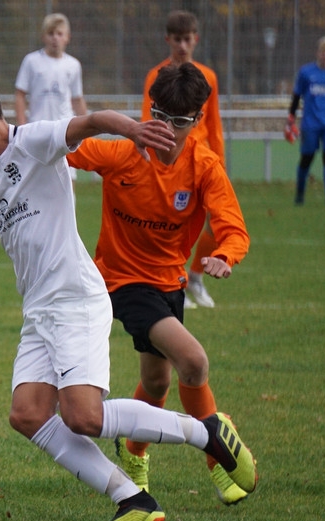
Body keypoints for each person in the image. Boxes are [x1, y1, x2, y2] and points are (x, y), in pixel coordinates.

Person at [0, 69, 257, 521]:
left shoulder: (34, 142)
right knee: (27, 414)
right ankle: (133, 499)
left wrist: (134, 129)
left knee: (83, 416)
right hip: (38, 308)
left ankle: (207, 433)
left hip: (77, 296)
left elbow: (89, 121)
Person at [68, 63, 251, 506]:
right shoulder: (121, 154)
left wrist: (224, 256)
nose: (168, 129)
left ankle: (132, 454)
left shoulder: (203, 167)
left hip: (170, 282)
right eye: (160, 116)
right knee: (194, 361)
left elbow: (233, 227)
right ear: (148, 110)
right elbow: (59, 146)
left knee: (154, 382)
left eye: (180, 121)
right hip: (122, 282)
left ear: (198, 119)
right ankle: (219, 459)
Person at [142, 10, 222, 309]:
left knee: (214, 223)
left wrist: (220, 162)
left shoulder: (208, 77)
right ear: (168, 40)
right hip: (167, 162)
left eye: (187, 39)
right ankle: (174, 280)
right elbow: (146, 116)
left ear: (195, 40)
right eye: (177, 39)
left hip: (200, 164)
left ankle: (196, 278)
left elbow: (214, 124)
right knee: (170, 225)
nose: (182, 46)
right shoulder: (156, 75)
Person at [286, 36, 325, 206]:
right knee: (307, 158)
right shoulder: (306, 73)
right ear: (318, 53)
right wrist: (291, 117)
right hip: (310, 124)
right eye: (323, 52)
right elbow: (297, 96)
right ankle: (299, 195)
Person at [14, 13, 88, 125]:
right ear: (43, 36)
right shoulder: (31, 61)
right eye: (51, 33)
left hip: (64, 129)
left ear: (68, 37)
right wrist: (22, 127)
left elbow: (77, 99)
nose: (55, 38)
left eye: (59, 34)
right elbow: (20, 95)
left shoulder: (73, 65)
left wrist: (86, 129)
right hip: (37, 126)